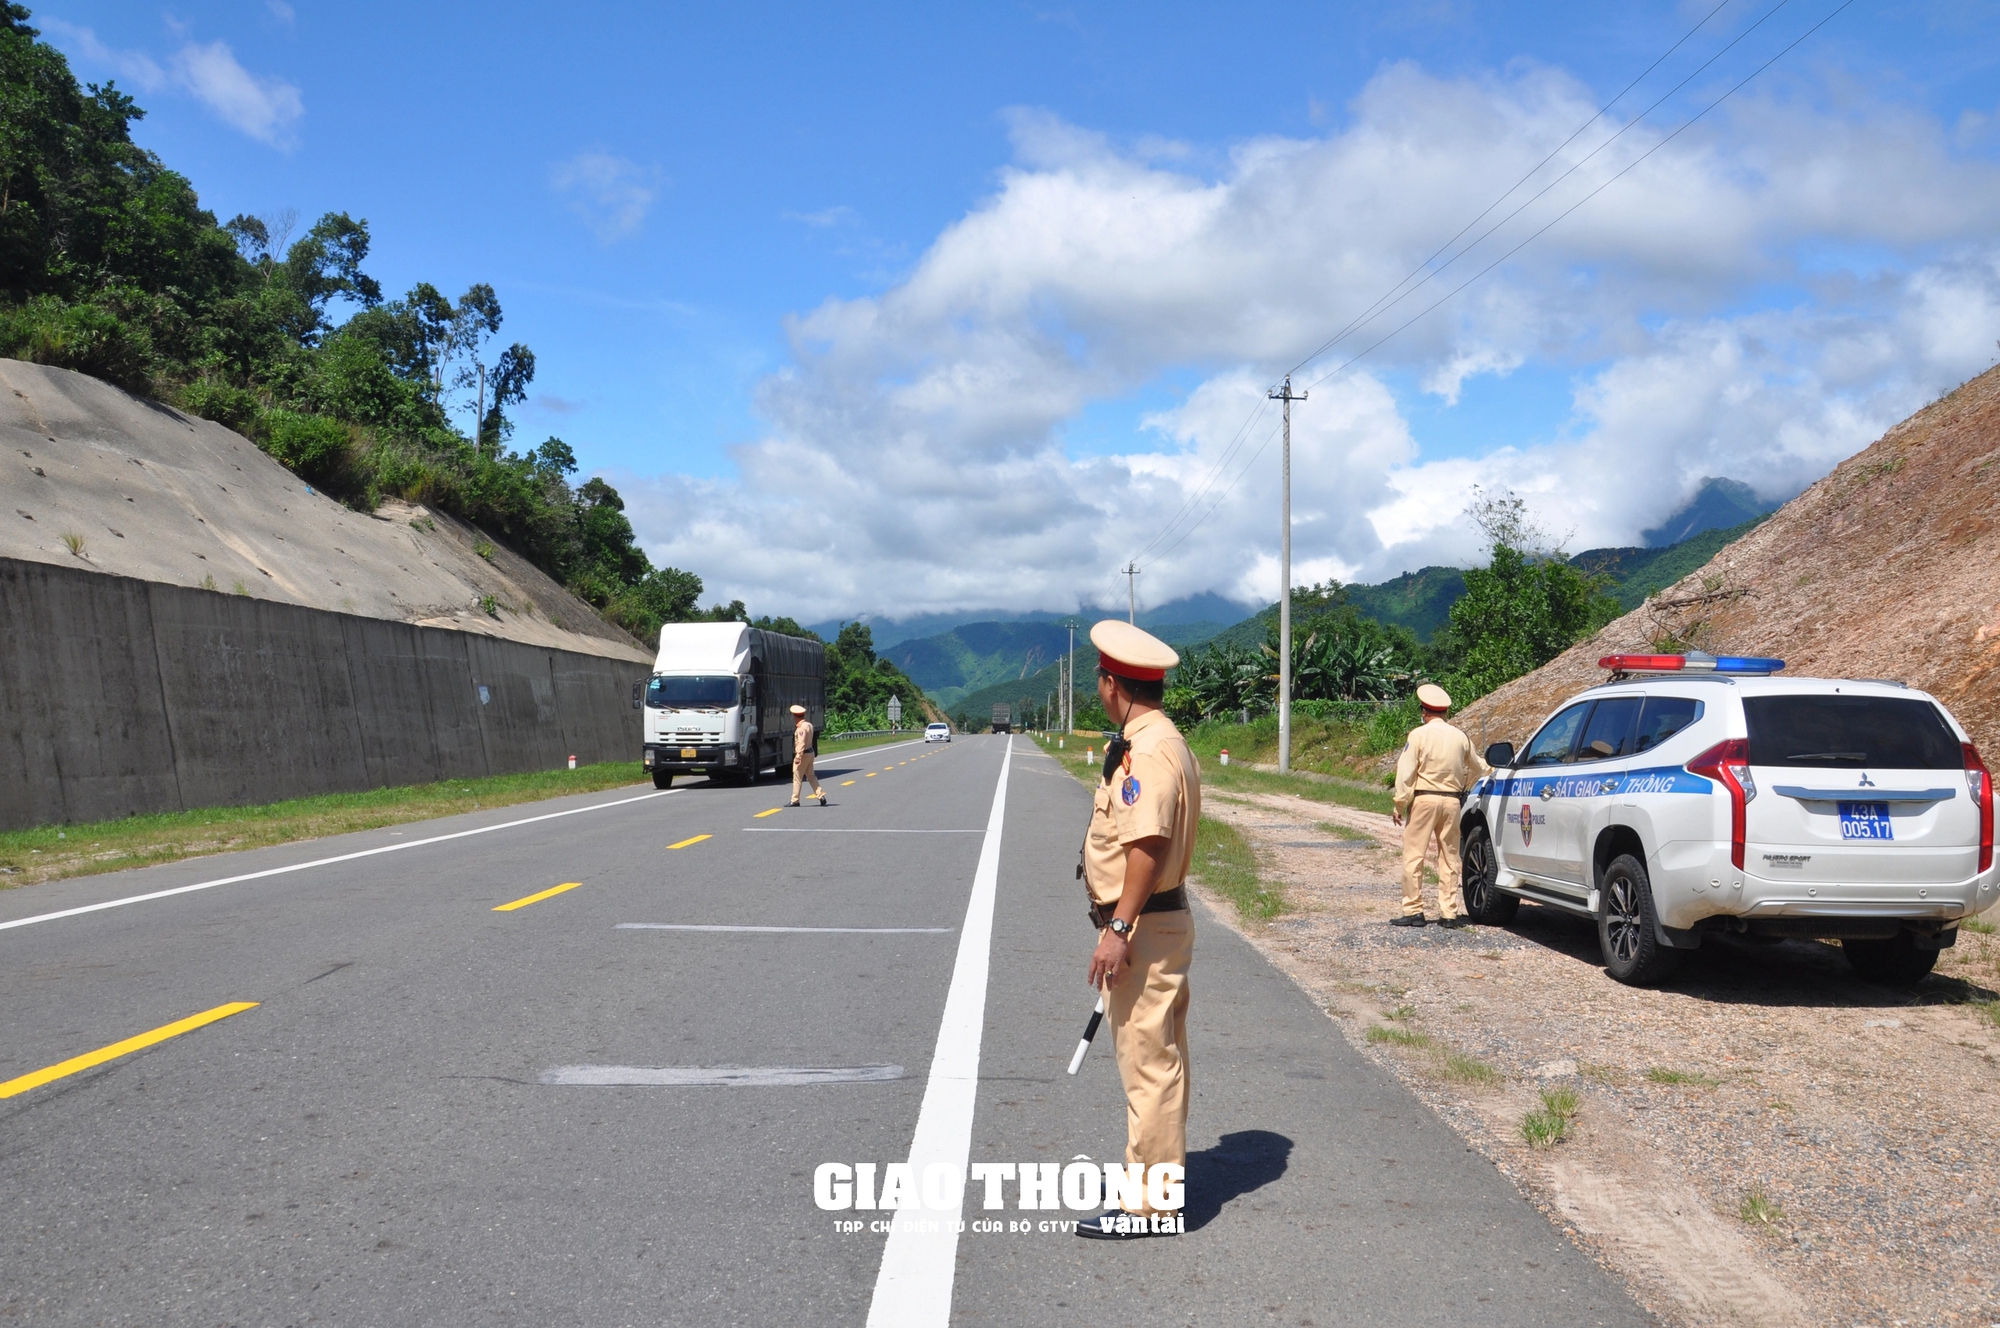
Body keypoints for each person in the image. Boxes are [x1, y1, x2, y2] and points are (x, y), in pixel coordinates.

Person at [1072, 620, 1199, 1241]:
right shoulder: (1160, 740)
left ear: (1112, 685)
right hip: (1160, 923)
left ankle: (1149, 1210)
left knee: (1147, 1066)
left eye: (1099, 681)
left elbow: (1147, 845)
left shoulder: (1148, 751)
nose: (1099, 691)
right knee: (1159, 1061)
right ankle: (1155, 1188)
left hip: (1145, 928)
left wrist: (1119, 927)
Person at [1390, 682, 1490, 929]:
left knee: (1415, 855)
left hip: (1425, 799)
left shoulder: (1418, 735)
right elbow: (1480, 766)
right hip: (1452, 802)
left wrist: (1400, 803)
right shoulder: (1460, 736)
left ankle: (1414, 910)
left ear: (1424, 711)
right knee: (1449, 856)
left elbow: (1406, 773)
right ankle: (1448, 913)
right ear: (1445, 712)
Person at [789, 703, 825, 806]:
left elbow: (801, 743)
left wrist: (798, 757)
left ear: (795, 716)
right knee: (811, 776)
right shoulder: (808, 725)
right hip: (810, 752)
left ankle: (795, 800)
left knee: (797, 777)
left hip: (803, 754)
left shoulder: (800, 728)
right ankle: (820, 795)